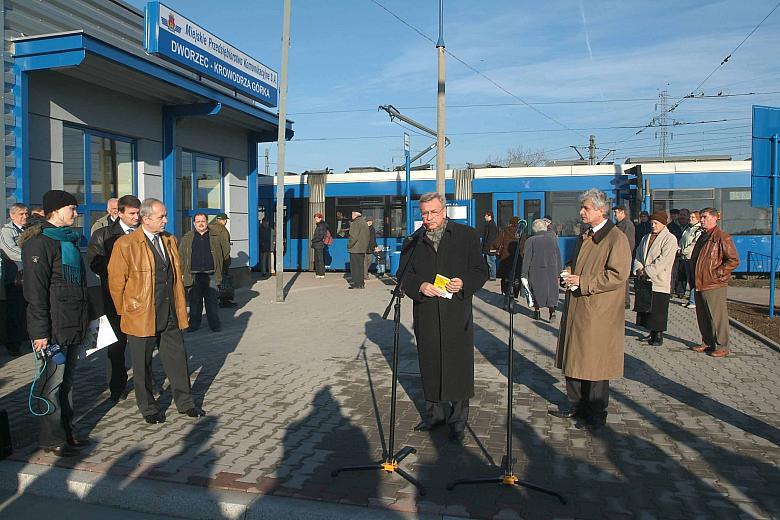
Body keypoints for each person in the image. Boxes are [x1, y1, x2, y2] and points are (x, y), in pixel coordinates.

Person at [400, 192, 488, 443]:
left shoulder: (466, 236)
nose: (428, 218)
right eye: (424, 213)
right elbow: (403, 275)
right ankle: (434, 415)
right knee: (430, 363)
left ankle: (458, 421)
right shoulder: (414, 240)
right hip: (426, 311)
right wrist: (420, 286)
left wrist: (464, 283)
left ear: (444, 211)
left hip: (456, 313)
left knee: (457, 365)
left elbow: (481, 271)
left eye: (433, 212)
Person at [108, 198, 205, 424]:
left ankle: (186, 403)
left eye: (165, 215)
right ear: (146, 218)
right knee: (142, 365)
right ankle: (148, 407)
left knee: (177, 359)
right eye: (161, 216)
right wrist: (127, 311)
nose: (166, 220)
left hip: (170, 310)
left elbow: (174, 275)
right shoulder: (126, 244)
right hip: (141, 314)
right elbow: (116, 283)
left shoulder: (169, 240)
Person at [551, 188, 631, 431]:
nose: (581, 212)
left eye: (586, 208)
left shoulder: (616, 238)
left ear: (601, 210)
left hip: (598, 311)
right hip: (578, 306)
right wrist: (567, 274)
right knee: (574, 359)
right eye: (582, 207)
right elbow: (577, 264)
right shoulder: (585, 235)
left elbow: (617, 275)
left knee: (595, 364)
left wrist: (583, 282)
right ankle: (576, 405)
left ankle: (596, 413)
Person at [21, 190, 89, 456]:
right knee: (51, 383)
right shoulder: (39, 242)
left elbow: (80, 286)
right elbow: (35, 293)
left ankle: (67, 432)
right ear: (56, 210)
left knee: (67, 382)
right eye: (72, 208)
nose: (75, 213)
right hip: (52, 329)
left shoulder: (68, 240)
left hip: (72, 323)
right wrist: (40, 333)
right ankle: (52, 439)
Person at [86, 194, 141, 402]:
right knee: (116, 346)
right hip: (113, 298)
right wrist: (120, 270)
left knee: (142, 345)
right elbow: (94, 262)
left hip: (140, 300)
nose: (137, 217)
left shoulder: (143, 233)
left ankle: (145, 383)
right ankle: (116, 387)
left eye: (138, 213)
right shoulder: (103, 235)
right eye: (133, 213)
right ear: (119, 213)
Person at [690, 208, 739, 358]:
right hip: (700, 282)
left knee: (717, 316)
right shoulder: (703, 236)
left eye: (704, 217)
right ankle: (708, 342)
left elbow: (733, 260)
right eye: (701, 217)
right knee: (703, 315)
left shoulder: (721, 237)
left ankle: (722, 345)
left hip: (713, 283)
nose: (701, 220)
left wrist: (717, 273)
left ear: (714, 218)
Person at [633, 211, 678, 346]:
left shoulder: (670, 239)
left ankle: (658, 335)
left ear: (663, 224)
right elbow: (639, 254)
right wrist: (638, 268)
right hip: (645, 280)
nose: (653, 225)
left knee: (659, 309)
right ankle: (651, 332)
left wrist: (647, 271)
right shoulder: (646, 237)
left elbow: (664, 260)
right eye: (652, 223)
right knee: (648, 307)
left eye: (656, 223)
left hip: (659, 279)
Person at [180, 212, 230, 333]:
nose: (200, 224)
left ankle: (215, 325)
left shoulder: (216, 236)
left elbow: (226, 253)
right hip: (194, 274)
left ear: (207, 222)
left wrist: (222, 269)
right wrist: (182, 272)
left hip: (211, 273)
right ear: (194, 223)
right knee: (194, 301)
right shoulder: (187, 237)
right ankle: (194, 325)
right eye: (198, 221)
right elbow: (181, 255)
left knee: (211, 301)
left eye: (203, 221)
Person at [1, 203, 29, 356]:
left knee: (32, 311)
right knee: (15, 313)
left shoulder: (30, 230)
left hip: (30, 277)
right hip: (14, 279)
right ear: (12, 216)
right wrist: (32, 258)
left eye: (26, 214)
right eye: (21, 214)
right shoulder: (6, 232)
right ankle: (13, 344)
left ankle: (33, 341)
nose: (25, 217)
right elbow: (9, 250)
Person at [521, 218, 562, 321]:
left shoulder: (530, 240)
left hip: (535, 270)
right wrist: (559, 271)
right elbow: (557, 256)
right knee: (551, 291)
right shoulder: (552, 240)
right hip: (551, 269)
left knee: (536, 290)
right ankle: (552, 312)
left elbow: (527, 259)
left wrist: (524, 273)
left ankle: (537, 312)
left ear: (534, 229)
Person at [494, 216, 526, 304]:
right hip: (518, 259)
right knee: (517, 276)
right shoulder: (521, 233)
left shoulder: (504, 231)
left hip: (505, 259)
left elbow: (496, 244)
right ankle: (515, 292)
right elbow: (524, 247)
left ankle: (506, 293)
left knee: (505, 277)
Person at [679, 210, 704, 308]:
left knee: (694, 280)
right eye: (690, 217)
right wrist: (679, 247)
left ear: (698, 219)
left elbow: (694, 244)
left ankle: (693, 302)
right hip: (685, 258)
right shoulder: (688, 229)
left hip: (691, 258)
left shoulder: (698, 230)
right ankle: (691, 300)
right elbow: (682, 240)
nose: (690, 219)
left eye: (693, 217)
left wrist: (683, 251)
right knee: (690, 280)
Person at [613, 205, 636, 309]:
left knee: (624, 279)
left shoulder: (627, 224)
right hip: (618, 255)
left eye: (616, 212)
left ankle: (625, 301)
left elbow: (629, 242)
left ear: (622, 212)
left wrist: (625, 255)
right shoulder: (620, 224)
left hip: (623, 256)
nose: (614, 215)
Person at [210, 213, 234, 308]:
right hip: (221, 260)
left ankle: (212, 300)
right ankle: (225, 301)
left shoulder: (209, 228)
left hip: (209, 260)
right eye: (225, 220)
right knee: (223, 280)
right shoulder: (222, 230)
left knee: (212, 281)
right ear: (222, 220)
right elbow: (225, 247)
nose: (226, 221)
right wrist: (226, 260)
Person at [346, 210, 369, 289]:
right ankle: (361, 283)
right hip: (362, 249)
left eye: (352, 214)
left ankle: (356, 284)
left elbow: (353, 236)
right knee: (360, 267)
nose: (351, 216)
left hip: (355, 249)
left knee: (355, 267)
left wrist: (349, 245)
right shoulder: (364, 223)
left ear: (355, 215)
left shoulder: (355, 223)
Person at [478, 211, 499, 281]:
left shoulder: (491, 225)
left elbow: (491, 238)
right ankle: (490, 275)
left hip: (490, 247)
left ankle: (492, 276)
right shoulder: (491, 224)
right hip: (489, 247)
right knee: (489, 261)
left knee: (491, 261)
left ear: (489, 216)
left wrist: (487, 247)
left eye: (486, 216)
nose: (485, 217)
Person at [311, 213, 328, 278]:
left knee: (319, 259)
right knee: (317, 259)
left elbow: (320, 236)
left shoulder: (321, 225)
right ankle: (318, 273)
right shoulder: (320, 225)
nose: (316, 220)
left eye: (317, 218)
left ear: (320, 218)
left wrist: (313, 240)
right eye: (315, 218)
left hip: (319, 244)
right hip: (318, 244)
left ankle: (321, 273)